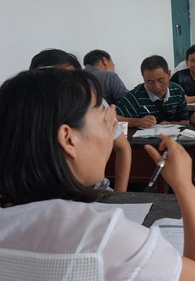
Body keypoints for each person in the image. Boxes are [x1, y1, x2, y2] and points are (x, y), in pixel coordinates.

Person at [0, 69, 195, 281]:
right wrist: (185, 188)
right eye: (102, 115)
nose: (111, 126)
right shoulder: (100, 237)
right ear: (68, 138)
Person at [30, 48, 131, 192]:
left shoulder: (93, 103)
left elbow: (122, 147)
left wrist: (120, 193)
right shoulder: (30, 117)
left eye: (70, 79)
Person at [116, 55, 189, 128]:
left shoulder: (177, 91)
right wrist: (138, 122)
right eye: (150, 82)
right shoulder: (134, 96)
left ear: (169, 74)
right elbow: (113, 118)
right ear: (143, 78)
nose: (157, 87)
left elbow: (185, 122)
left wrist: (170, 123)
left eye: (161, 80)